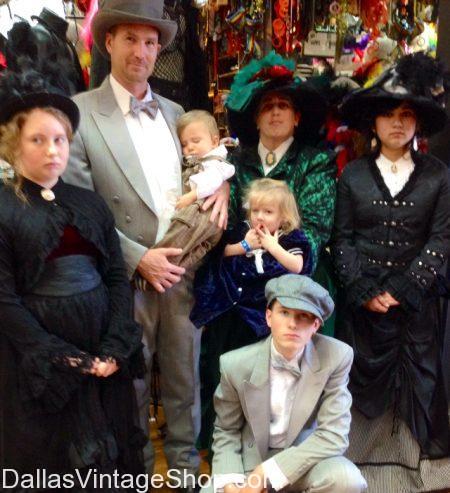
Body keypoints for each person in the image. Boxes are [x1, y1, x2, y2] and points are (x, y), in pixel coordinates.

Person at [64, 0, 229, 484]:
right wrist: (138, 258)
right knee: (130, 387)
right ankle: (134, 476)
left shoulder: (176, 113)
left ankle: (184, 476)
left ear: (160, 49)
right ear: (108, 41)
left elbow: (206, 164)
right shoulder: (80, 113)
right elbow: (78, 207)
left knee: (185, 384)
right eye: (130, 39)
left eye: (150, 42)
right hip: (123, 278)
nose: (141, 51)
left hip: (182, 273)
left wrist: (220, 185)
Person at [0, 67, 145, 484]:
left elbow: (115, 276)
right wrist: (62, 357)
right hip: (41, 364)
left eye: (60, 139)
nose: (52, 150)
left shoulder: (90, 204)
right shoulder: (4, 209)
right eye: (38, 140)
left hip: (101, 347)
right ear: (14, 144)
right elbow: (4, 298)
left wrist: (113, 347)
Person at [334, 52, 450, 491]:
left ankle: (417, 474)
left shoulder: (438, 176)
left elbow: (441, 239)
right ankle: (362, 472)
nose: (397, 123)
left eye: (406, 115)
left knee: (419, 383)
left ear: (418, 122)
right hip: (364, 309)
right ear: (373, 123)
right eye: (388, 114)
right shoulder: (353, 175)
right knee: (362, 387)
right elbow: (342, 238)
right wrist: (362, 288)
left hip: (416, 306)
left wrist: (404, 286)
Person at [203, 274, 367, 493]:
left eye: (303, 316)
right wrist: (230, 483)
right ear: (269, 317)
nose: (292, 324)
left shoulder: (336, 356)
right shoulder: (234, 364)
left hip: (306, 461)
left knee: (346, 480)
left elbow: (334, 434)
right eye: (284, 312)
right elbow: (226, 430)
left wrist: (267, 471)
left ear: (316, 325)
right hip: (249, 464)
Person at [193, 178, 312, 450]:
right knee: (223, 375)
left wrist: (272, 246)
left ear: (283, 216)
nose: (259, 216)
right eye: (255, 210)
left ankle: (261, 442)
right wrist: (245, 246)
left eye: (268, 212)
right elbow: (219, 253)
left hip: (263, 321)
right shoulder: (241, 230)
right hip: (232, 314)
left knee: (261, 382)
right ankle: (219, 442)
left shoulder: (290, 238)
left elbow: (297, 265)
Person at [135, 110, 234, 290]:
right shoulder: (196, 161)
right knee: (191, 252)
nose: (190, 148)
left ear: (214, 141)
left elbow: (213, 180)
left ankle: (150, 273)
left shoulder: (216, 161)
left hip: (202, 214)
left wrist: (191, 196)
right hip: (207, 220)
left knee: (177, 236)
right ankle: (167, 275)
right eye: (184, 144)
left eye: (196, 141)